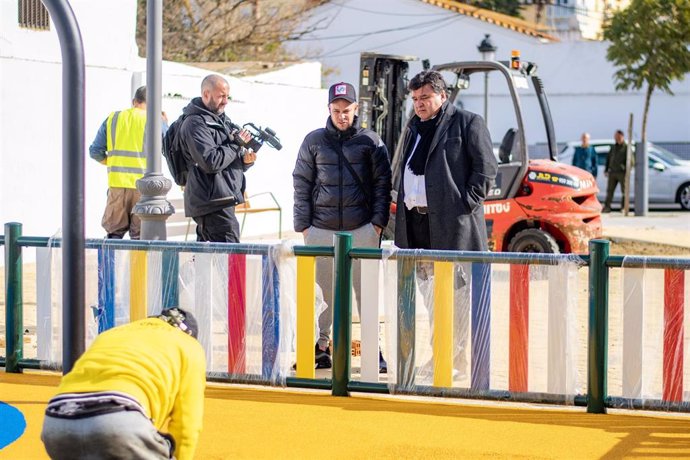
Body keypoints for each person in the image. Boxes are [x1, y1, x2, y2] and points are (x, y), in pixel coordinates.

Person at [393, 70, 497, 377]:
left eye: (425, 97)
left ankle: (454, 360)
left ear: (443, 95)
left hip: (453, 228)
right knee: (432, 299)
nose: (419, 104)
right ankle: (445, 354)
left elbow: (486, 171)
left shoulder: (467, 123)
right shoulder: (414, 127)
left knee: (456, 298)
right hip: (418, 227)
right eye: (414, 99)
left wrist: (463, 204)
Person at [293, 82, 392, 372]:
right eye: (336, 110)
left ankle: (373, 351)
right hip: (320, 230)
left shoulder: (371, 142)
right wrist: (304, 227)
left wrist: (377, 225)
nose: (342, 116)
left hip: (362, 229)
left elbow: (382, 186)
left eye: (346, 110)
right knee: (321, 295)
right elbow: (301, 182)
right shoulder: (313, 141)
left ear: (356, 109)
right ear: (328, 109)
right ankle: (320, 348)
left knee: (366, 292)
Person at [41, 307, 206, 460]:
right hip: (119, 422)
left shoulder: (111, 334)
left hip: (57, 421)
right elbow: (186, 425)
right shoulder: (189, 346)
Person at [178, 74, 257, 242]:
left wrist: (244, 162)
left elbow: (226, 158)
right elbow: (211, 162)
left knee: (210, 260)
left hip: (221, 199)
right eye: (221, 96)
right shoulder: (194, 123)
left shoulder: (220, 120)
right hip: (212, 202)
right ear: (206, 94)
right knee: (230, 258)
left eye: (227, 96)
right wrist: (237, 144)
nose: (226, 101)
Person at [89, 86, 164, 239]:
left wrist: (112, 163)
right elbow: (170, 148)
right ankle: (138, 264)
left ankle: (108, 264)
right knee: (140, 237)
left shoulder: (113, 118)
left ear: (134, 101)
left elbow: (95, 151)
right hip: (144, 188)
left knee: (113, 233)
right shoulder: (157, 121)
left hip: (117, 185)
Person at [603, 129, 630, 213]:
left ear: (622, 136)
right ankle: (607, 207)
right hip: (613, 172)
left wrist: (626, 169)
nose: (616, 138)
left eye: (618, 136)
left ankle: (623, 207)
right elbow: (608, 158)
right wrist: (606, 169)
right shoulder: (613, 147)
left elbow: (630, 161)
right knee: (609, 191)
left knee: (624, 191)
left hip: (622, 173)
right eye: (615, 136)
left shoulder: (626, 148)